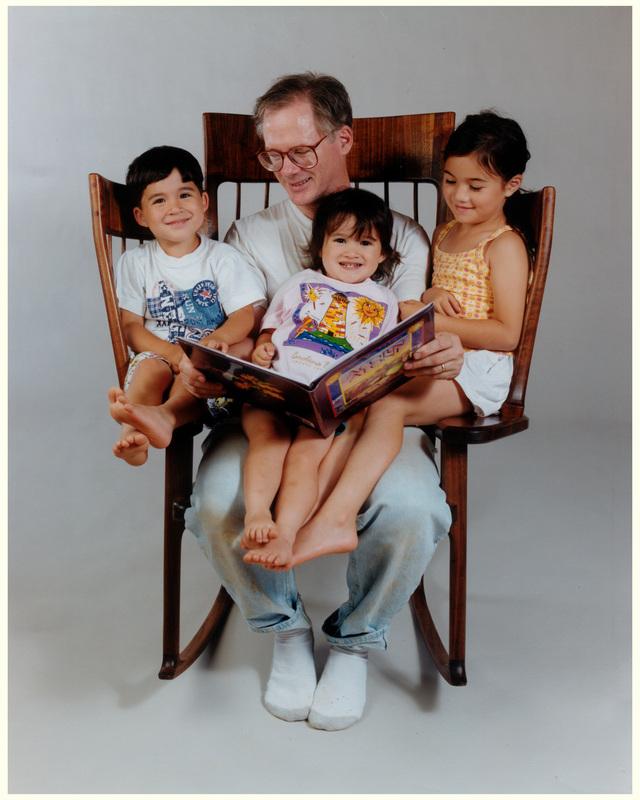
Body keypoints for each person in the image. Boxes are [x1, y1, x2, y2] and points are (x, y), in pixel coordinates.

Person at [179, 73, 465, 731]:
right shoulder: (252, 236)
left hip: (366, 421)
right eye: (271, 155)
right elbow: (248, 331)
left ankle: (357, 640)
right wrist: (229, 361)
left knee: (414, 509)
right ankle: (282, 627)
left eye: (301, 150)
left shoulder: (404, 242)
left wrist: (438, 354)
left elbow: (413, 342)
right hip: (271, 420)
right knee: (221, 505)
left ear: (343, 139)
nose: (286, 168)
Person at [293, 111, 531, 565]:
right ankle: (310, 511)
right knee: (361, 397)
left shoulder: (504, 245)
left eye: (475, 186)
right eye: (449, 181)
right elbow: (445, 294)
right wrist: (434, 294)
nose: (459, 195)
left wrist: (424, 317)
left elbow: (506, 333)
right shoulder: (447, 232)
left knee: (387, 403)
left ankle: (338, 518)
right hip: (436, 355)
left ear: (511, 185)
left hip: (478, 368)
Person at [242, 187, 408, 569]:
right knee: (267, 442)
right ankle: (257, 516)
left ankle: (284, 534)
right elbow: (271, 325)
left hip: (325, 403)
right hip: (278, 387)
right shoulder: (302, 282)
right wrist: (263, 346)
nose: (352, 251)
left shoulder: (384, 301)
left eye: (365, 242)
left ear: (382, 254)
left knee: (303, 458)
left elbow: (379, 356)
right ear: (320, 247)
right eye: (340, 240)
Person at [107, 145, 265, 466]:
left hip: (207, 367)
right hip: (158, 354)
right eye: (159, 200)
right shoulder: (135, 262)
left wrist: (216, 341)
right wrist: (173, 354)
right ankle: (132, 437)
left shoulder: (222, 257)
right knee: (151, 368)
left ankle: (166, 416)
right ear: (141, 216)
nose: (174, 208)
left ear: (203, 202)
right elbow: (132, 327)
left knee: (193, 371)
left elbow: (243, 315)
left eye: (184, 195)